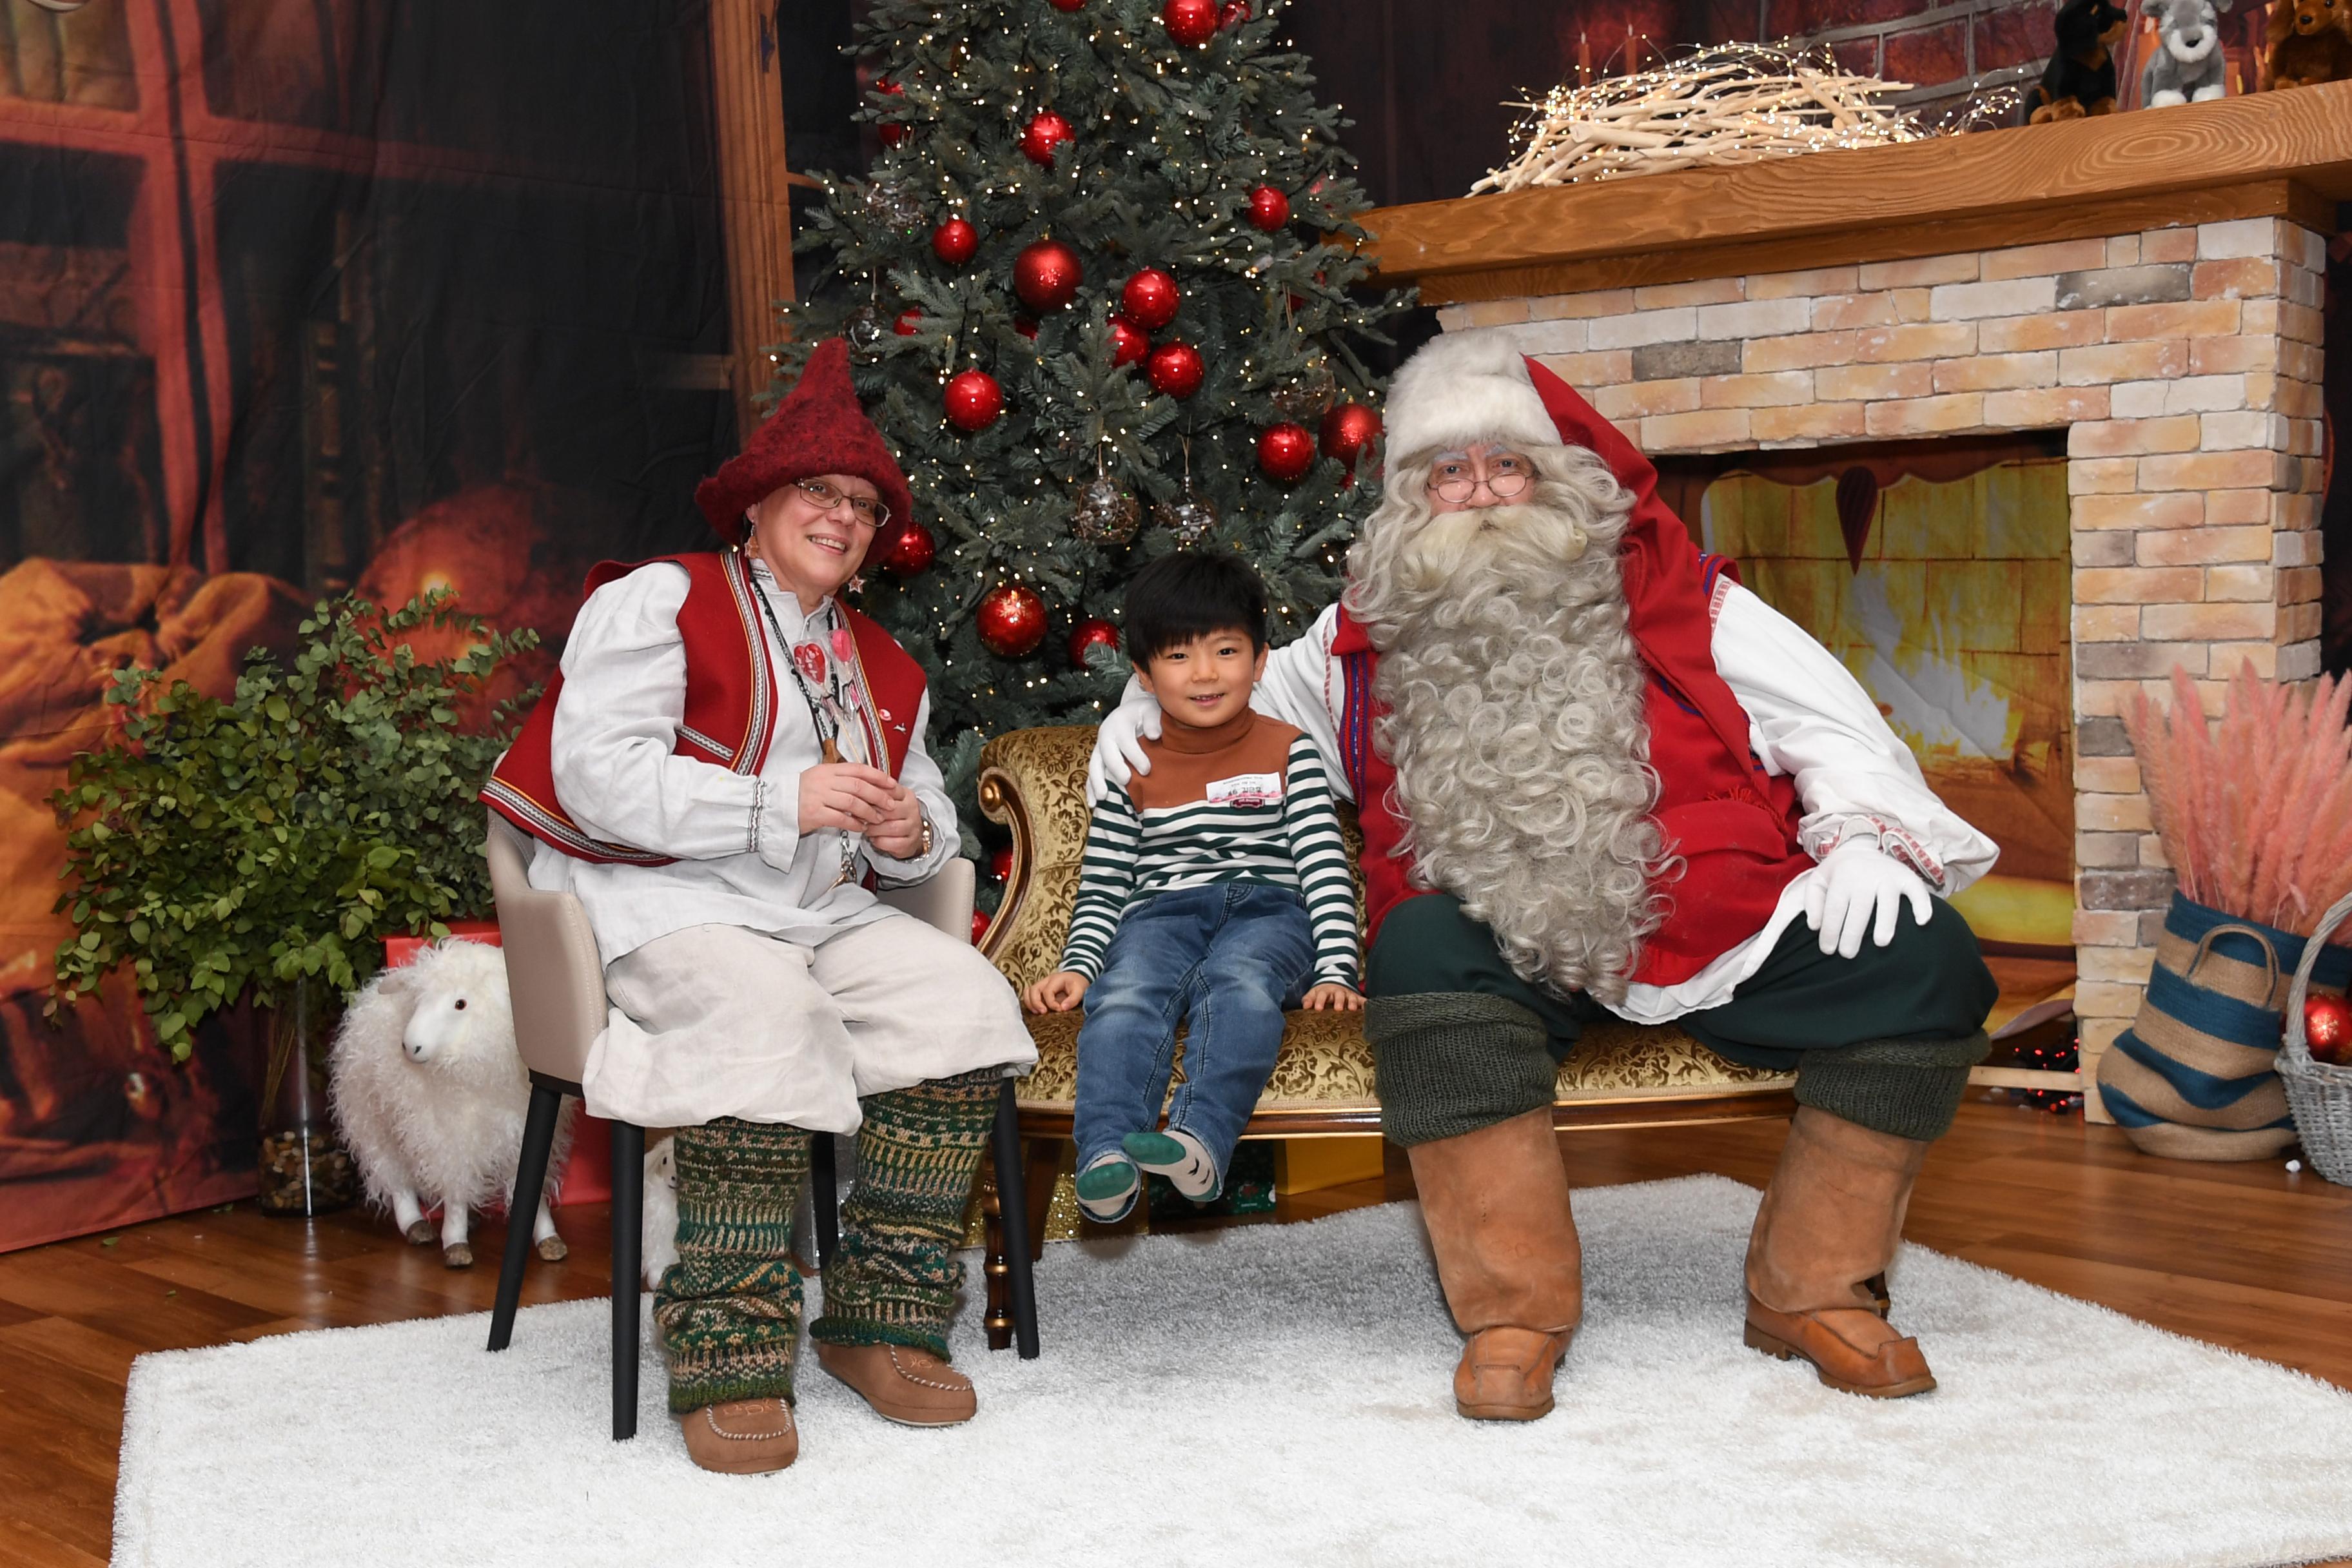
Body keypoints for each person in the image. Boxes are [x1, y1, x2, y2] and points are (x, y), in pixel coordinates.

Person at [1090, 332, 1998, 1420]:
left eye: (1504, 464)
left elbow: (1825, 718)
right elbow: (1228, 698)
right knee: (1421, 946)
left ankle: (1810, 1288)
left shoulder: (1681, 599)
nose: (1478, 494)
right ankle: (1512, 1312)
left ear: (1556, 475)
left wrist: (1858, 836)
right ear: (1411, 498)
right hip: (1497, 932)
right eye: (1448, 470)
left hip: (1712, 914)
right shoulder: (1352, 638)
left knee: (1926, 960)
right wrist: (1138, 710)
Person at [484, 338, 1036, 1475]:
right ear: (759, 505)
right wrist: (778, 801)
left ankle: (878, 1323)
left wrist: (908, 830)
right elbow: (598, 773)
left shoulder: (882, 663)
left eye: (864, 507)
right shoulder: (662, 599)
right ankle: (727, 1348)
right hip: (661, 902)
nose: (842, 517)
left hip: (822, 916)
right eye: (818, 493)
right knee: (760, 1014)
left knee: (964, 1005)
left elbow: (925, 801)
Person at [1024, 552, 1360, 1222]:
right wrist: (1080, 963)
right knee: (1125, 994)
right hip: (1160, 913)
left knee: (1237, 980)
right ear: (1145, 676)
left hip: (1271, 912)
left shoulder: (1291, 748)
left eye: (1226, 650)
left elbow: (1324, 864)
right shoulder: (1132, 762)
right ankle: (1105, 1156)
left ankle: (1199, 1140)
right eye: (1179, 656)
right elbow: (1106, 878)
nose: (1205, 673)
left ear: (1260, 661)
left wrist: (1336, 966)